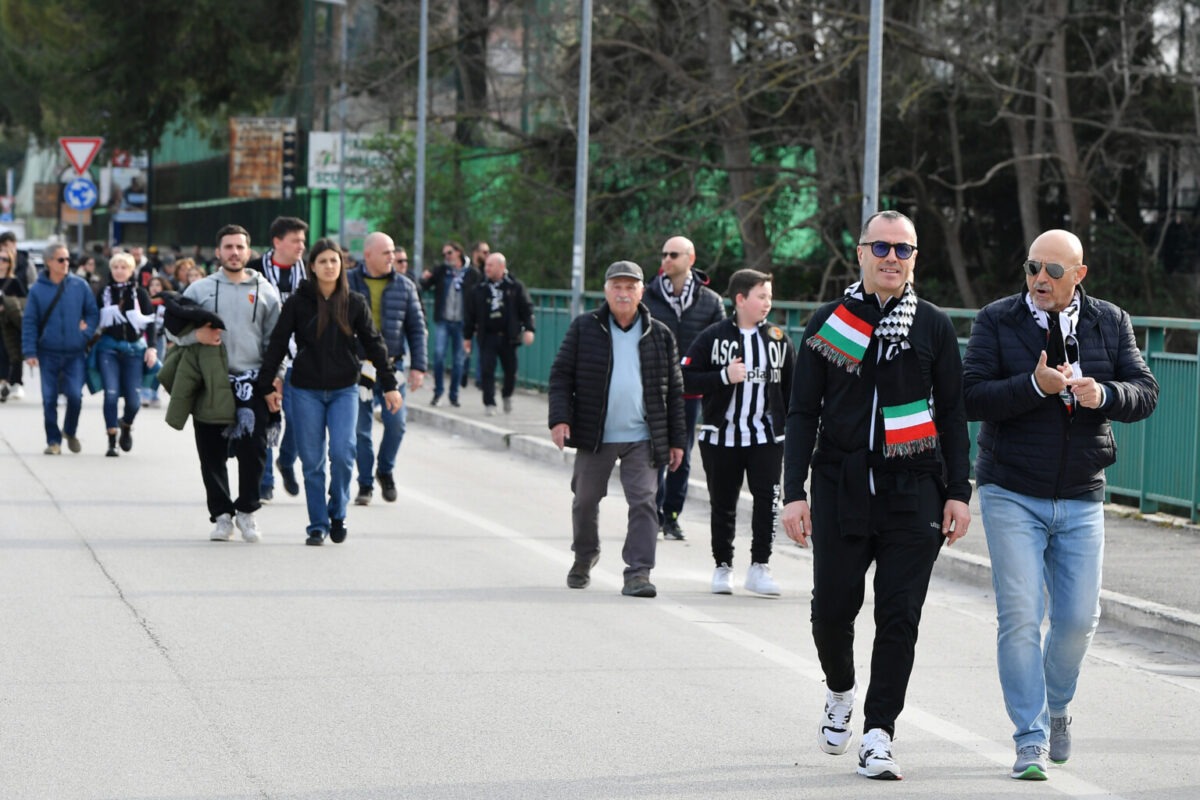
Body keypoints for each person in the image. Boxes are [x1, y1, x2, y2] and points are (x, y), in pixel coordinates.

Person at [780, 210, 971, 781]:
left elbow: (955, 415)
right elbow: (801, 411)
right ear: (860, 253)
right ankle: (839, 690)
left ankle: (879, 732)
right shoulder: (828, 322)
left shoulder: (932, 326)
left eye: (904, 250)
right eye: (882, 248)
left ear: (916, 259)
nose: (892, 259)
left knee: (899, 616)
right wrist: (794, 494)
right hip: (841, 487)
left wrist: (958, 492)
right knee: (831, 611)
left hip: (913, 489)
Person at [962, 229, 1159, 781]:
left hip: (1081, 492)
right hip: (1010, 489)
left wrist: (1106, 394)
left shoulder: (1110, 320)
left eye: (1052, 271)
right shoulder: (996, 319)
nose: (1040, 280)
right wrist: (1034, 385)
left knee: (1077, 620)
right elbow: (970, 394)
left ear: (1079, 274)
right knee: (1020, 617)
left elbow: (1145, 391)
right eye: (1031, 269)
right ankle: (1030, 739)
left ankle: (1057, 705)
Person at [548, 260, 686, 599]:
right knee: (585, 500)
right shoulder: (585, 327)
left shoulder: (660, 334)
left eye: (630, 287)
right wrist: (559, 419)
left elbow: (675, 391)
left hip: (643, 434)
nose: (623, 293)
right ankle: (584, 556)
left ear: (641, 291)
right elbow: (561, 375)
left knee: (644, 502)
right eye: (617, 287)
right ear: (606, 291)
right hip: (596, 434)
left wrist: (676, 440)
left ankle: (638, 572)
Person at [260, 238, 401, 545]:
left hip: (343, 390)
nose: (329, 266)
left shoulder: (354, 303)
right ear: (312, 267)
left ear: (342, 265)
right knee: (312, 462)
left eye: (334, 261)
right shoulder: (298, 303)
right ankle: (317, 525)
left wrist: (389, 385)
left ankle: (338, 512)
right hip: (305, 390)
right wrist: (267, 384)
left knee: (342, 452)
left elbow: (375, 345)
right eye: (322, 261)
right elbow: (278, 345)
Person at [681, 269, 794, 596]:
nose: (767, 303)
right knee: (723, 503)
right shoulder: (713, 336)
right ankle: (723, 566)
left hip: (765, 438)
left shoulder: (777, 339)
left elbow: (793, 387)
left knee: (766, 502)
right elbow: (685, 378)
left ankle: (760, 566)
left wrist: (792, 430)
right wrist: (723, 377)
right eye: (762, 296)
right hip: (722, 437)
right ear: (740, 299)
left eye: (770, 297)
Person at [168, 224, 282, 543]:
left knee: (254, 451)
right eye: (228, 247)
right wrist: (196, 336)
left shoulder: (266, 291)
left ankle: (246, 512)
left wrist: (276, 381)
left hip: (252, 383)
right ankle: (221, 516)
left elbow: (277, 342)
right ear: (218, 252)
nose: (234, 252)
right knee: (211, 453)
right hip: (210, 381)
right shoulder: (200, 290)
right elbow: (171, 331)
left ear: (249, 251)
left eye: (240, 247)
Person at [642, 235, 725, 541]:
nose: (666, 259)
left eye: (673, 254)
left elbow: (722, 346)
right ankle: (652, 511)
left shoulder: (711, 301)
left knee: (681, 454)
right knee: (652, 451)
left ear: (690, 259)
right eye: (664, 254)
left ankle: (671, 516)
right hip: (651, 388)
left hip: (689, 392)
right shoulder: (647, 296)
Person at [347, 231, 427, 506]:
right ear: (367, 255)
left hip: (393, 366)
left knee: (397, 424)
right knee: (360, 429)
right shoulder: (348, 283)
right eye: (386, 252)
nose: (392, 257)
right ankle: (365, 484)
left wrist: (419, 366)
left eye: (393, 252)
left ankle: (385, 470)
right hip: (358, 368)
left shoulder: (404, 286)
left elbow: (417, 329)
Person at [21, 243, 100, 454]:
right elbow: (29, 322)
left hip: (75, 353)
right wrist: (29, 352)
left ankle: (70, 431)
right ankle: (53, 441)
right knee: (49, 399)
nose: (66, 263)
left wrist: (85, 333)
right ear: (49, 262)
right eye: (61, 259)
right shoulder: (38, 290)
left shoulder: (79, 285)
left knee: (75, 396)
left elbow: (93, 313)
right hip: (48, 353)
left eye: (68, 259)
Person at [254, 216, 308, 502]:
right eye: (295, 240)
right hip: (265, 356)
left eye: (303, 240)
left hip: (300, 357)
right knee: (268, 419)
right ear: (277, 242)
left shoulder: (310, 273)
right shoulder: (255, 272)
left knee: (300, 420)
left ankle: (286, 461)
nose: (301, 245)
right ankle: (265, 480)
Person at [93, 252, 157, 457]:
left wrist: (152, 347)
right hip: (108, 348)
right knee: (110, 394)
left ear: (131, 271)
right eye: (115, 267)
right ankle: (111, 440)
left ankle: (126, 424)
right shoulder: (103, 291)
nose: (119, 271)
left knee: (134, 401)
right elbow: (94, 317)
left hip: (133, 350)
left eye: (124, 267)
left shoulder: (141, 293)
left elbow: (151, 322)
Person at [463, 252, 535, 416]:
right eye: (486, 265)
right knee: (487, 369)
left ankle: (507, 394)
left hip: (509, 336)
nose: (486, 268)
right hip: (487, 335)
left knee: (511, 370)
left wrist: (529, 329)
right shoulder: (479, 289)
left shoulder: (515, 287)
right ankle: (489, 402)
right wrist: (467, 337)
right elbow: (470, 315)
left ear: (502, 267)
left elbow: (527, 309)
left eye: (491, 265)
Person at [420, 240, 479, 407]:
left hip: (462, 323)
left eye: (449, 253)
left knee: (459, 360)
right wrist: (424, 278)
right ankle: (438, 392)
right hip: (444, 321)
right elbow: (424, 286)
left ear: (458, 252)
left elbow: (478, 298)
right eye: (444, 254)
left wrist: (476, 323)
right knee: (438, 356)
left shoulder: (471, 273)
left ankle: (454, 395)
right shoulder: (441, 271)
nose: (446, 256)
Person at [0, 250, 28, 401]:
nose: (1, 262)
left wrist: (8, 306)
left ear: (10, 263)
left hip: (9, 324)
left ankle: (9, 382)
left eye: (5, 259)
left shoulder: (14, 281)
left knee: (9, 353)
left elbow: (24, 302)